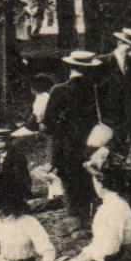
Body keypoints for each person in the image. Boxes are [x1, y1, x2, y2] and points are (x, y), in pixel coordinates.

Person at [40, 151, 131, 261]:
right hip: (110, 259)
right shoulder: (116, 202)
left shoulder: (110, 209)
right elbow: (98, 247)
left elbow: (106, 251)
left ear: (100, 182)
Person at [43, 50, 106, 232]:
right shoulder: (94, 91)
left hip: (65, 147)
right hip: (89, 144)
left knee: (70, 185)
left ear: (70, 67)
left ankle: (77, 222)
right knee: (88, 180)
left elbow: (48, 124)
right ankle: (91, 217)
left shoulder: (59, 90)